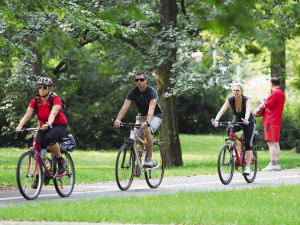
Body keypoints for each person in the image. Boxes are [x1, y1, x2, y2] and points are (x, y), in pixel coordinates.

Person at [16, 77, 67, 188]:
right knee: (37, 149)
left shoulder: (55, 98)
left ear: (49, 88)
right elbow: (28, 115)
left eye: (44, 87)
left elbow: (53, 113)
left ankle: (60, 160)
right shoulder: (36, 101)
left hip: (59, 125)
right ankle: (39, 177)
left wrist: (49, 124)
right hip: (43, 127)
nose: (42, 89)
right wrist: (20, 126)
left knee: (50, 138)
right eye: (40, 87)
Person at [114, 72, 163, 168]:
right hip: (141, 116)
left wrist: (147, 122)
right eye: (137, 80)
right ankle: (139, 163)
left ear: (146, 80)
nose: (139, 82)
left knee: (147, 129)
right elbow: (125, 107)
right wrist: (118, 120)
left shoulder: (152, 92)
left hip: (155, 116)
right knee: (134, 138)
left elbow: (152, 108)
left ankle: (148, 159)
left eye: (141, 80)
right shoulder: (133, 92)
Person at [212, 81, 256, 175]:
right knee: (229, 129)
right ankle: (234, 148)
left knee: (248, 143)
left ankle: (247, 168)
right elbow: (222, 110)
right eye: (233, 90)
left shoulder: (247, 99)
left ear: (241, 91)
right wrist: (216, 120)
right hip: (237, 120)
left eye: (237, 90)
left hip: (249, 121)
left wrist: (246, 119)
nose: (235, 92)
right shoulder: (230, 100)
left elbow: (248, 110)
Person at [260, 77, 285, 171]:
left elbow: (266, 104)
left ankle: (273, 163)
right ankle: (277, 163)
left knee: (270, 142)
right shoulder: (282, 93)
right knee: (276, 142)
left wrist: (263, 102)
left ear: (271, 84)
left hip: (270, 120)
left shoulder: (274, 93)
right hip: (277, 120)